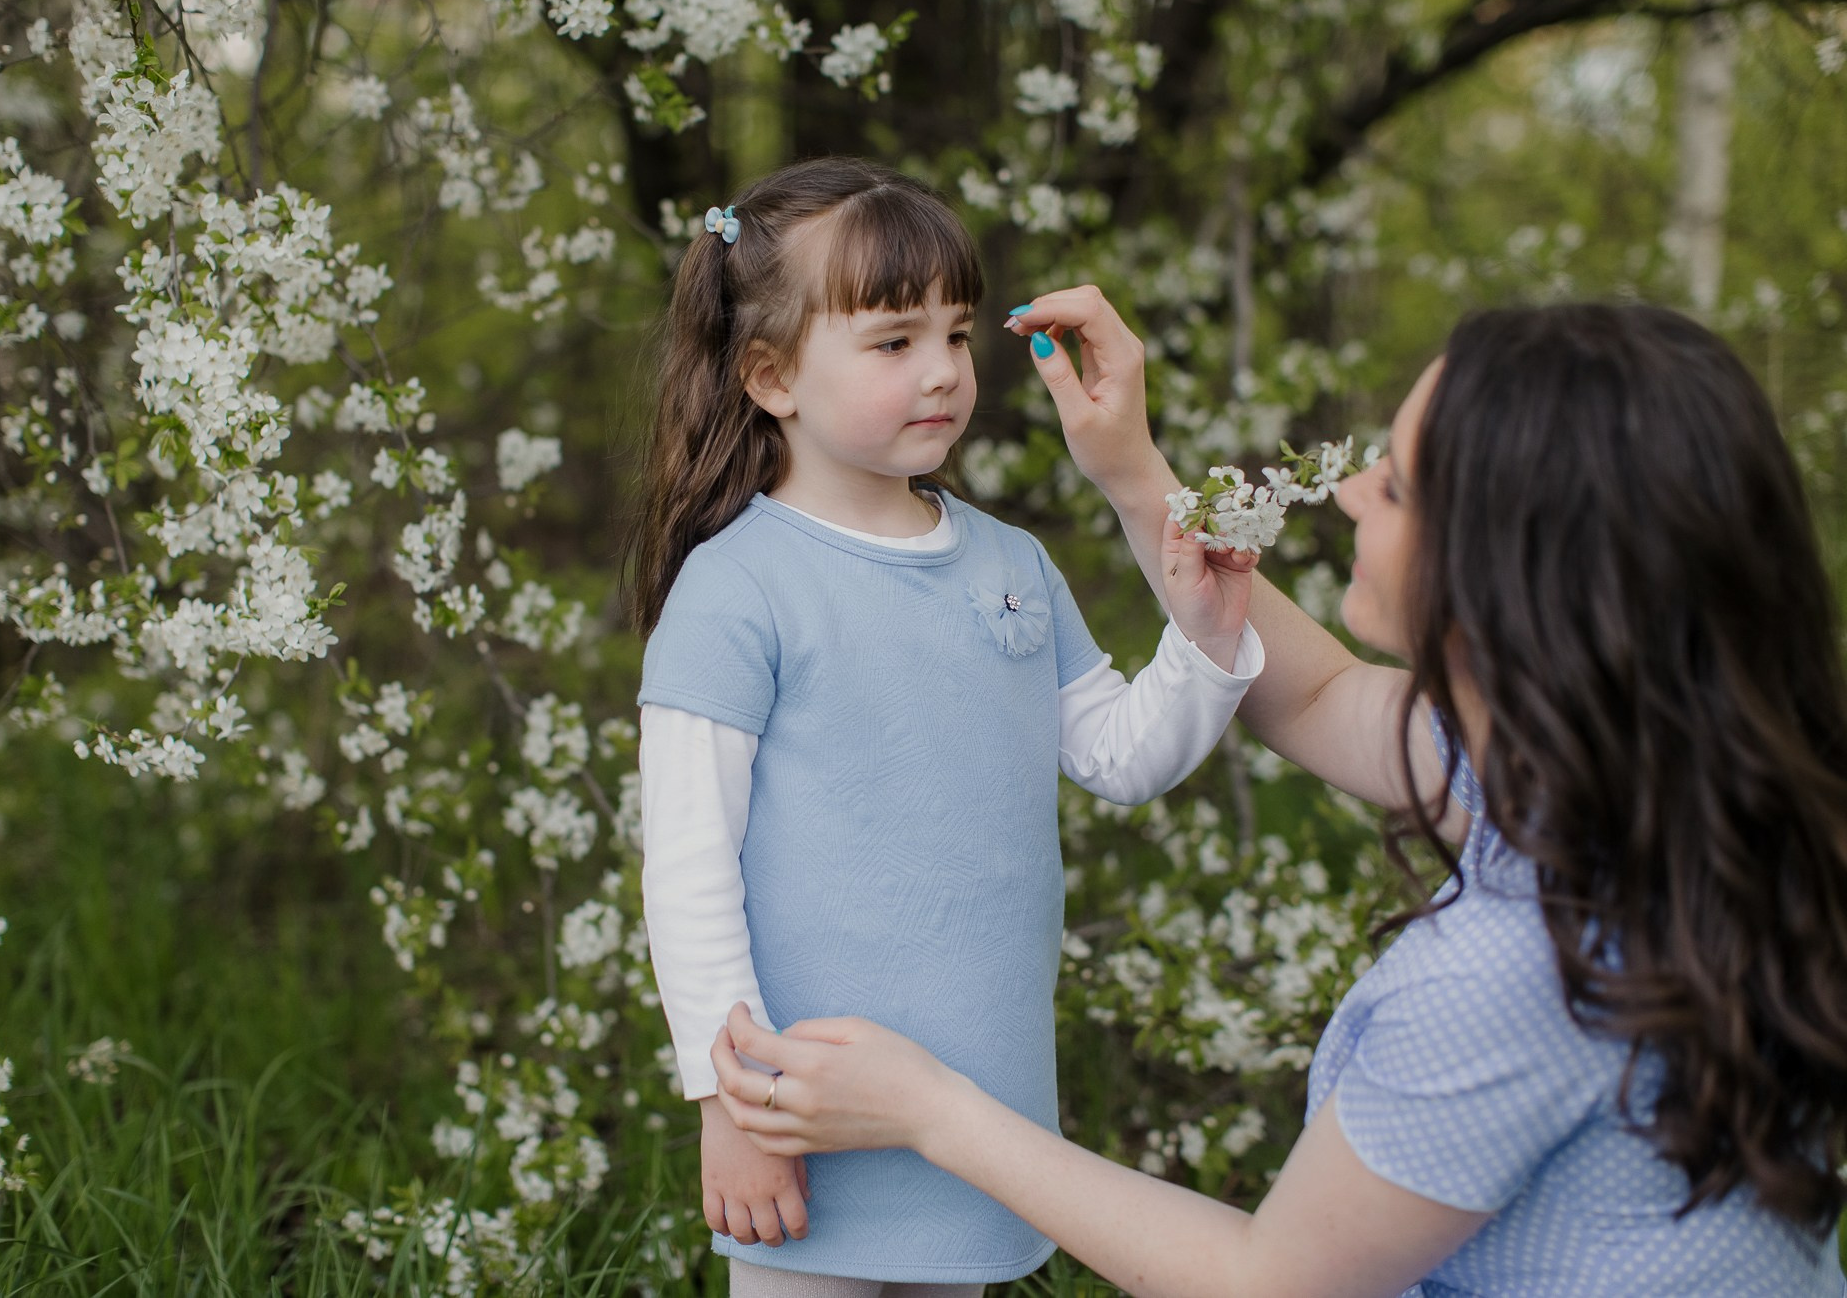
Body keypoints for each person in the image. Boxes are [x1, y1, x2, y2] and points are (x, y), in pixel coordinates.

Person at [711, 290, 1847, 1297]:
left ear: (1511, 576)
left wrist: (930, 1110)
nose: (1348, 491)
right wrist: (1130, 469)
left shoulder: (1515, 972)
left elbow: (1266, 1282)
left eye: (1395, 485)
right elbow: (1314, 701)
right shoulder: (1646, 784)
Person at [623, 164, 1266, 1297]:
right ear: (771, 375)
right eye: (890, 342)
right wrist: (735, 1105)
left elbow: (1117, 754)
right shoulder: (737, 590)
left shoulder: (1010, 561)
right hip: (805, 1123)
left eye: (957, 335)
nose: (941, 373)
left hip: (980, 1108)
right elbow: (686, 867)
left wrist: (1201, 638)